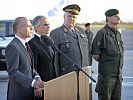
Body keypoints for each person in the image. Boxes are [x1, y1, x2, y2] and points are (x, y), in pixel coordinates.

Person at [5, 17, 44, 100]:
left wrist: (37, 77)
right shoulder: (13, 46)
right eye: (28, 26)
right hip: (19, 94)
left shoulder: (25, 45)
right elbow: (13, 73)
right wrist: (33, 83)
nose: (31, 28)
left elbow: (29, 67)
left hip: (28, 94)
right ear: (19, 29)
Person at [91, 9, 124, 100]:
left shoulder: (118, 33)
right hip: (107, 77)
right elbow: (95, 54)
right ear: (108, 18)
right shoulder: (102, 33)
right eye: (115, 16)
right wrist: (106, 62)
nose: (118, 18)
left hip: (118, 75)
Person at [50, 4, 89, 76]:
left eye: (74, 17)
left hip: (83, 74)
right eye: (69, 16)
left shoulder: (81, 31)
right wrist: (57, 77)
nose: (71, 19)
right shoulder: (56, 33)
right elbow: (54, 58)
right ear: (64, 17)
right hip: (67, 75)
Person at [28, 15, 59, 100]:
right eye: (45, 25)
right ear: (36, 27)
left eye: (49, 24)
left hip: (52, 82)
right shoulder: (32, 44)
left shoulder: (48, 41)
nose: (48, 26)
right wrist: (36, 85)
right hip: (41, 85)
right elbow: (32, 67)